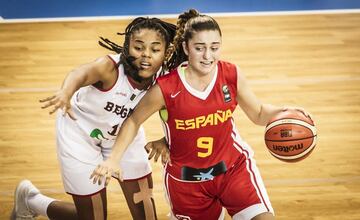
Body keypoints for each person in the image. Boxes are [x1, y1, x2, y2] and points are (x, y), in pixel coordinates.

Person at [90, 9, 312, 220]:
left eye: (214, 47)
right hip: (187, 181)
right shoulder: (166, 88)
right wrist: (113, 159)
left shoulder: (230, 74)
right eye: (200, 48)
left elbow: (259, 113)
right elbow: (134, 120)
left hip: (233, 169)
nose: (208, 55)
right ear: (186, 47)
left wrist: (284, 112)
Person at [11, 17, 176, 220]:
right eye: (138, 47)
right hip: (80, 134)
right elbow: (79, 73)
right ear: (126, 47)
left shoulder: (167, 77)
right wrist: (65, 92)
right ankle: (31, 201)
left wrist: (164, 140)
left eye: (155, 49)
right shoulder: (109, 68)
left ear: (166, 52)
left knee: (146, 213)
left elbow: (183, 113)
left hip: (124, 133)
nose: (146, 55)